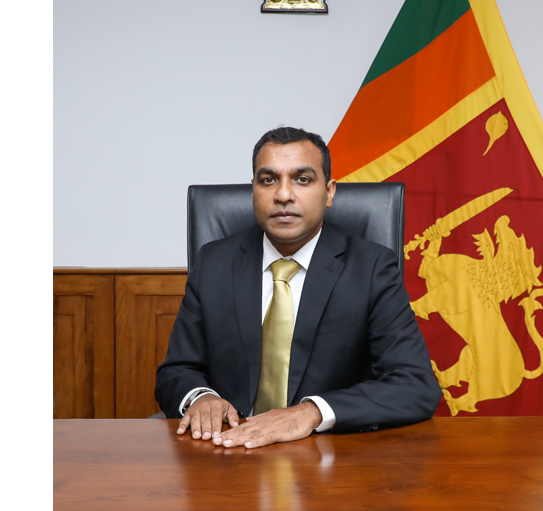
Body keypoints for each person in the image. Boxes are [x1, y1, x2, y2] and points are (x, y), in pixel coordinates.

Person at [154, 126, 440, 449]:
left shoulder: (372, 269)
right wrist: (200, 397)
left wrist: (312, 411)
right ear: (253, 191)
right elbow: (177, 370)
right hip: (229, 450)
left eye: (302, 179)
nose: (284, 195)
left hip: (327, 460)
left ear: (329, 192)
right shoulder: (214, 264)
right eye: (268, 180)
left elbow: (415, 385)